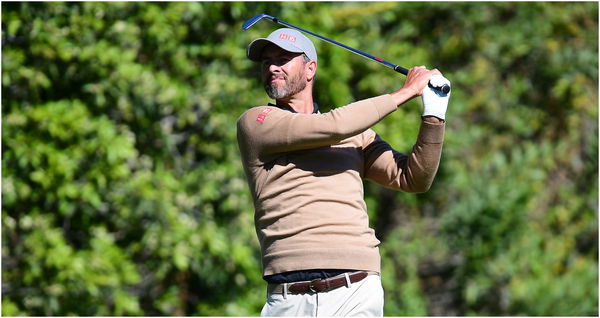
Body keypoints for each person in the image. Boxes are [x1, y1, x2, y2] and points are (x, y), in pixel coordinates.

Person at [236, 28, 450, 317]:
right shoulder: (258, 123)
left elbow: (413, 178)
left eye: (283, 59)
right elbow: (332, 127)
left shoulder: (357, 135)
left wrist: (433, 114)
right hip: (288, 298)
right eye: (266, 62)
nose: (273, 67)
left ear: (310, 68)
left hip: (356, 291)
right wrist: (407, 91)